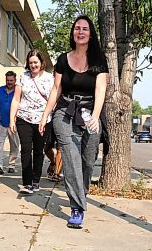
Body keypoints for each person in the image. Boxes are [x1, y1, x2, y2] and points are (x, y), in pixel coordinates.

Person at [39, 15, 108, 229]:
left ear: (90, 33)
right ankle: (77, 207)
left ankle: (81, 191)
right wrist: (45, 115)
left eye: (85, 28)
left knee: (88, 159)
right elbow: (56, 89)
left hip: (90, 113)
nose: (80, 31)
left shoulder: (99, 59)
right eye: (77, 28)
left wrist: (95, 117)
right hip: (65, 111)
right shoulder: (62, 59)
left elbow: (101, 89)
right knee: (70, 157)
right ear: (73, 32)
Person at [10, 49, 54, 194]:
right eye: (30, 63)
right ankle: (27, 183)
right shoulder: (23, 77)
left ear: (41, 63)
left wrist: (44, 118)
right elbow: (16, 99)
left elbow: (53, 101)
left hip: (43, 120)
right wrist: (12, 119)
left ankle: (36, 181)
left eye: (35, 62)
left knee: (38, 151)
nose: (33, 65)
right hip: (24, 118)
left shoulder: (50, 78)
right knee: (26, 150)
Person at [0, 71, 20, 175]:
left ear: (15, 80)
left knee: (15, 145)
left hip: (14, 123)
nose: (9, 82)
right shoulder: (0, 90)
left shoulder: (18, 91)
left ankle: (11, 164)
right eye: (7, 80)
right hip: (1, 121)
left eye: (11, 80)